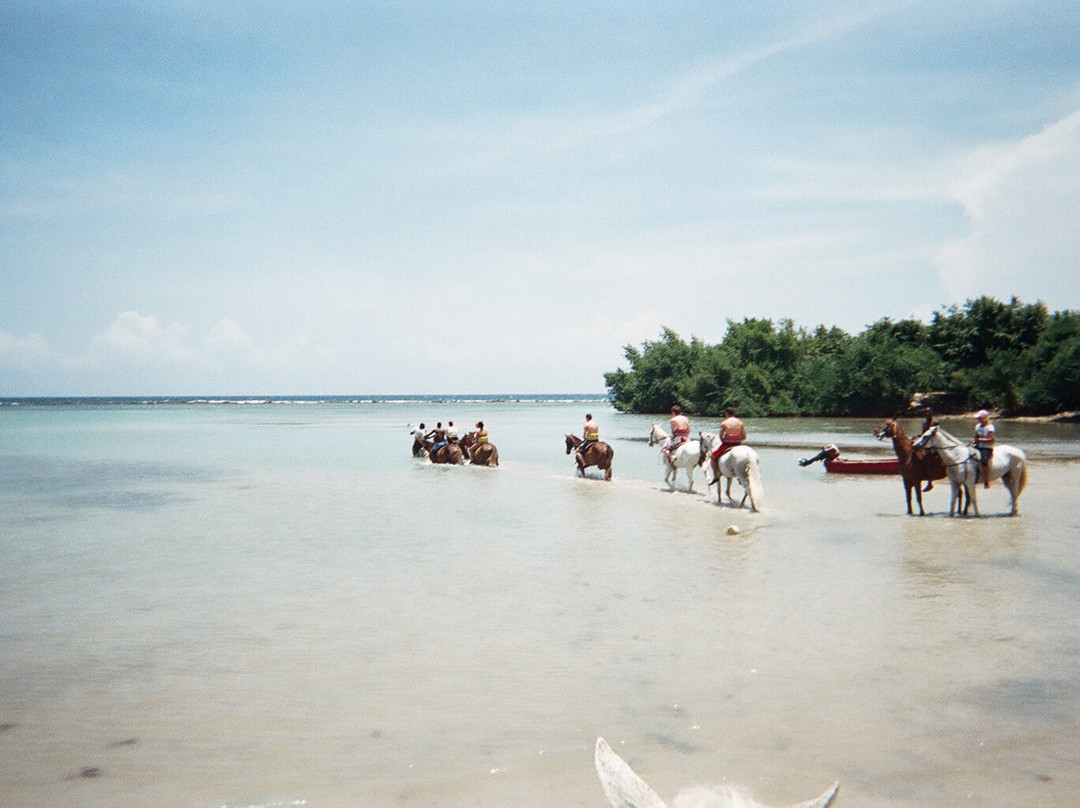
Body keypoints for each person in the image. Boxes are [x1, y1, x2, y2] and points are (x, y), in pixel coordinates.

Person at [709, 407, 746, 479]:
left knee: (713, 456)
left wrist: (724, 440)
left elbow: (721, 436)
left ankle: (716, 475)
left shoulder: (724, 423)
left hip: (727, 444)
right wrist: (738, 439)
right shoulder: (740, 423)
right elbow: (744, 436)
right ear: (734, 413)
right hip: (738, 444)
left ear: (726, 413)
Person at [971, 409, 995, 488]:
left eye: (980, 418)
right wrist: (972, 441)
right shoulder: (978, 426)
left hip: (987, 447)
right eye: (978, 418)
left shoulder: (990, 427)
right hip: (978, 446)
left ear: (984, 418)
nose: (978, 419)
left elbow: (990, 439)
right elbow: (975, 435)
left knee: (984, 461)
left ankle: (986, 480)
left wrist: (979, 440)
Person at [919, 407, 939, 492]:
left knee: (928, 458)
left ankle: (930, 482)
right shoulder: (924, 423)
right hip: (926, 443)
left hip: (934, 443)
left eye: (928, 412)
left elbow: (937, 433)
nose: (927, 414)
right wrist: (918, 436)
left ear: (931, 413)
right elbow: (923, 434)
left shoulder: (935, 422)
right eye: (925, 413)